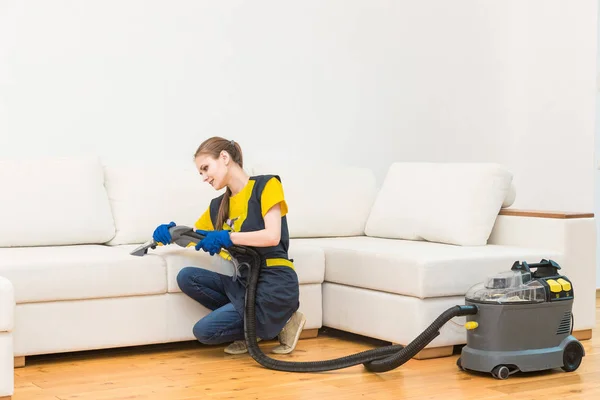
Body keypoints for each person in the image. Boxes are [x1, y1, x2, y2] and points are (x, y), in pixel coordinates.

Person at [152, 136, 306, 355]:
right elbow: (196, 236)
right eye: (200, 173)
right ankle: (252, 329)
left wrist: (228, 237)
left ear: (224, 157)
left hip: (274, 282)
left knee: (204, 332)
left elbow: (272, 236)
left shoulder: (266, 185)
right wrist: (167, 234)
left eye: (206, 168)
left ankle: (283, 320)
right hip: (244, 282)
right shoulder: (217, 206)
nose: (204, 177)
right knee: (187, 277)